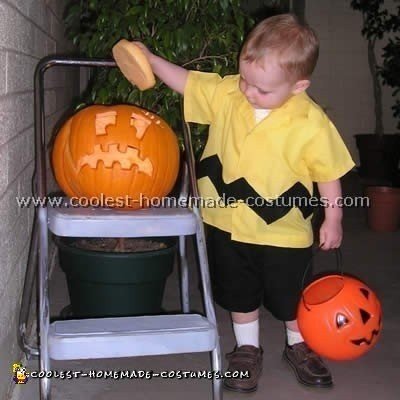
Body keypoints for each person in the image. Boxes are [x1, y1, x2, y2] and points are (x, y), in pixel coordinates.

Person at [132, 13, 355, 392]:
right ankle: (247, 348)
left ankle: (298, 343)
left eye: (262, 89)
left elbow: (328, 172)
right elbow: (189, 83)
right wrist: (151, 60)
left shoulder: (311, 122)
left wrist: (333, 217)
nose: (249, 92)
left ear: (299, 85)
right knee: (239, 289)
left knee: (289, 294)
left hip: (283, 231)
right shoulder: (230, 93)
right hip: (228, 221)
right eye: (245, 80)